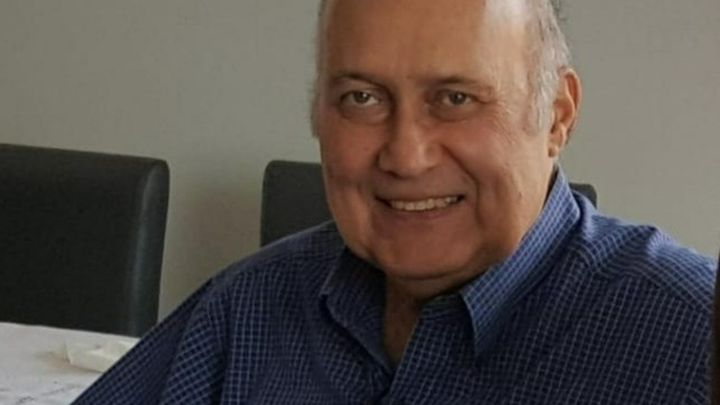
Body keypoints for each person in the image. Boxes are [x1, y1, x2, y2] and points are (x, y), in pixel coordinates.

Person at [75, 0, 717, 403]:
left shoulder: (693, 344)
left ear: (556, 116)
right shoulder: (248, 309)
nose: (406, 156)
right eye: (361, 98)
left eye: (456, 99)